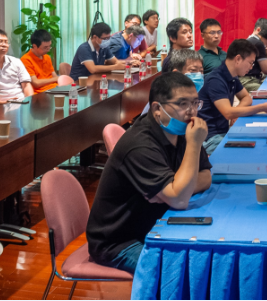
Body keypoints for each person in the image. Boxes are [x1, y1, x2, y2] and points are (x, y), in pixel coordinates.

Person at [88, 72, 214, 274]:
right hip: (120, 242)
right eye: (182, 104)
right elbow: (180, 200)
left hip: (157, 223)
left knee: (205, 259)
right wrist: (176, 190)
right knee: (181, 273)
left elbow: (206, 177)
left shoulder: (182, 131)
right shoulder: (140, 144)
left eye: (195, 103)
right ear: (157, 109)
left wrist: (176, 188)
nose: (191, 112)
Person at [199, 39, 267, 149]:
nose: (251, 67)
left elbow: (246, 97)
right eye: (250, 63)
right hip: (211, 137)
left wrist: (236, 112)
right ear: (238, 59)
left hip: (222, 132)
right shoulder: (216, 80)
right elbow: (228, 113)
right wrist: (262, 107)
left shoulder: (232, 75)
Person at [0, 30, 35, 105]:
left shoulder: (16, 62)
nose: (4, 45)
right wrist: (2, 103)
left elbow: (26, 85)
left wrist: (29, 103)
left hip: (20, 103)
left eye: (6, 42)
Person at [242, 20, 267, 92]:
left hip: (247, 79)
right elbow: (266, 70)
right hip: (248, 81)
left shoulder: (252, 40)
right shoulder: (259, 44)